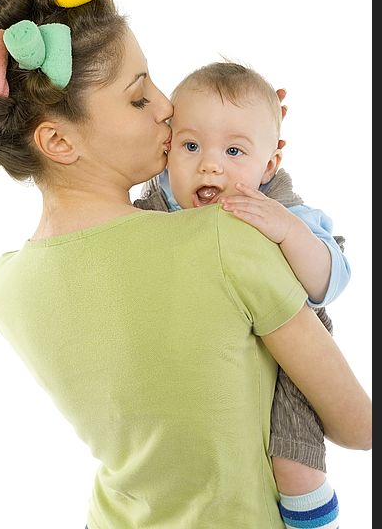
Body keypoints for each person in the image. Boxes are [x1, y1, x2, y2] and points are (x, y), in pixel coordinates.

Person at [0, 0, 371, 529]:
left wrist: (223, 136)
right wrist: (249, 156)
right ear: (58, 142)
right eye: (139, 97)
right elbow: (358, 427)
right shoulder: (224, 238)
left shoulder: (4, 287)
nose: (166, 108)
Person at [134, 61, 350, 527]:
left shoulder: (284, 210)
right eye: (191, 145)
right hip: (194, 350)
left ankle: (313, 515)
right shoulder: (158, 204)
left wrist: (288, 232)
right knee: (154, 451)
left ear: (269, 165)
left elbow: (328, 282)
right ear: (168, 149)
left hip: (285, 353)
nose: (209, 163)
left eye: (235, 150)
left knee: (294, 465)